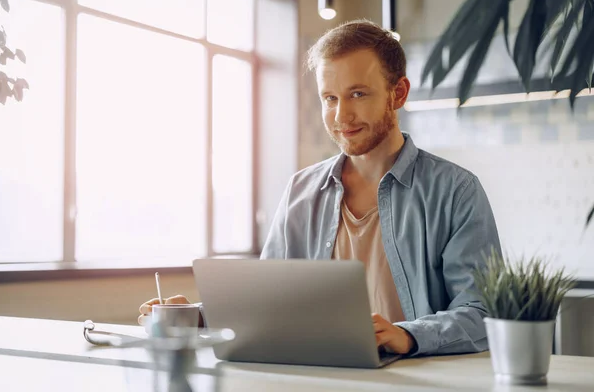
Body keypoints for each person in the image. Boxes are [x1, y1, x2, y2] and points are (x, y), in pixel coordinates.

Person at [140, 20, 501, 357]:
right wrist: (195, 316)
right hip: (320, 375)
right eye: (330, 98)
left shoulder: (457, 191)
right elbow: (269, 300)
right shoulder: (301, 189)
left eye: (357, 94)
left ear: (398, 93)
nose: (341, 116)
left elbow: (482, 312)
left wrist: (408, 335)